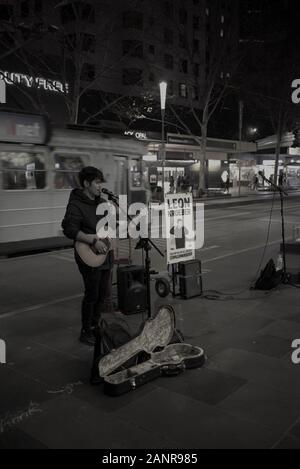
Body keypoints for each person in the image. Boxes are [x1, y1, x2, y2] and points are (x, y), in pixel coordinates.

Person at [61, 166, 114, 346]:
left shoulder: (102, 203)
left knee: (102, 294)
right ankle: (86, 331)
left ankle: (95, 325)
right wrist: (92, 241)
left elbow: (107, 228)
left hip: (105, 254)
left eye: (101, 183)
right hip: (89, 254)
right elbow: (69, 229)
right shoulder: (76, 204)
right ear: (86, 183)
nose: (100, 186)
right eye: (97, 182)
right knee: (92, 294)